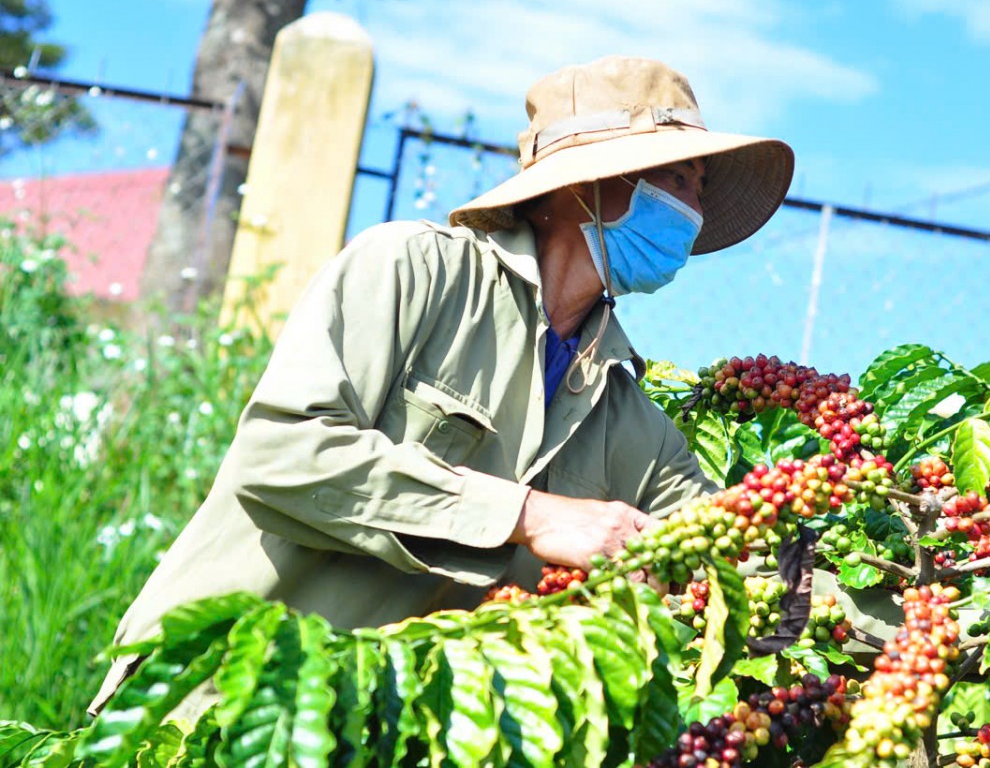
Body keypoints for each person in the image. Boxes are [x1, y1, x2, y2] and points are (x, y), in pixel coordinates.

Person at [89, 55, 794, 715]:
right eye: (678, 180)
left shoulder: (628, 412)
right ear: (583, 183)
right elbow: (282, 456)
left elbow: (730, 553)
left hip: (376, 734)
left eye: (701, 190)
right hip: (206, 706)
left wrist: (859, 536)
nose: (694, 213)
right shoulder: (412, 271)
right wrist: (535, 516)